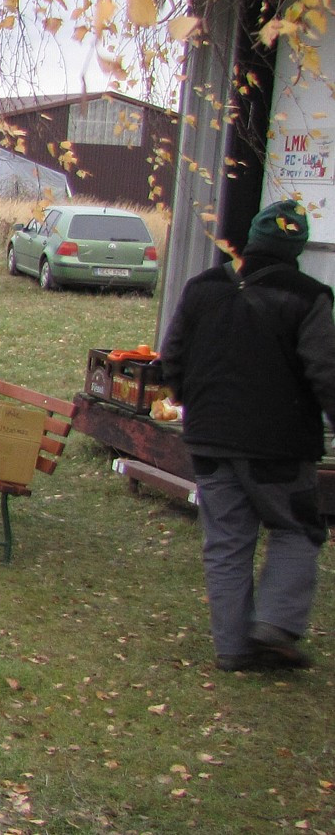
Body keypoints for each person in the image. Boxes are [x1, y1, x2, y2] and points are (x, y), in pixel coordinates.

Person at [160, 199, 335, 671]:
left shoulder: (203, 288)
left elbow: (171, 357)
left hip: (208, 438)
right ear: (296, 248)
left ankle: (233, 648)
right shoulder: (310, 296)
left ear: (252, 241)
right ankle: (275, 625)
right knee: (297, 528)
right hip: (279, 445)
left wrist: (193, 402)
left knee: (227, 542)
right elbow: (326, 372)